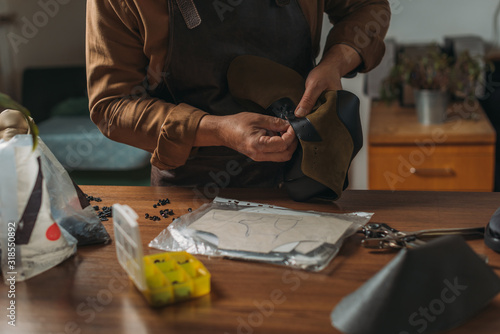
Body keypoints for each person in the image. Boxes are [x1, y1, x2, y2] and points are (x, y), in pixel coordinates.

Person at [86, 0, 390, 188]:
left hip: (306, 175)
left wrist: (335, 62)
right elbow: (112, 106)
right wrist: (217, 130)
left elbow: (366, 7)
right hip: (194, 190)